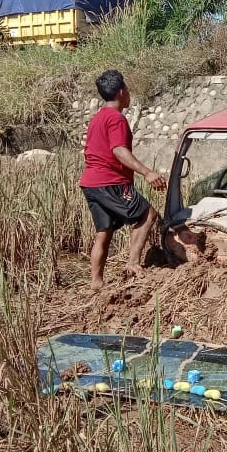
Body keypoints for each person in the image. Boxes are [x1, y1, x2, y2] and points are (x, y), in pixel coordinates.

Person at [79, 70, 166, 291]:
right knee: (148, 214)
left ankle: (96, 282)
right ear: (121, 92)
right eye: (127, 90)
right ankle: (133, 263)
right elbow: (118, 149)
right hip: (110, 182)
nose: (129, 94)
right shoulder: (117, 119)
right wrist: (147, 172)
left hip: (91, 183)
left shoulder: (98, 118)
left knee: (103, 233)